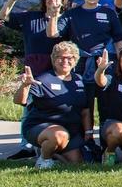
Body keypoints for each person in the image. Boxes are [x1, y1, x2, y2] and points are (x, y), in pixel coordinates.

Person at [14, 41, 92, 169]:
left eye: (69, 58)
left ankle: (50, 153)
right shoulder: (43, 79)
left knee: (76, 164)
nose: (65, 61)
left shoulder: (79, 80)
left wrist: (88, 132)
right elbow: (19, 101)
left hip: (70, 132)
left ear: (75, 60)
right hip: (40, 127)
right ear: (53, 59)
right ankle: (43, 160)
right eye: (60, 57)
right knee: (59, 134)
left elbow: (85, 110)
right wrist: (25, 85)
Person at [48, 0, 122, 77]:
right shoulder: (71, 13)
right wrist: (53, 14)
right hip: (78, 61)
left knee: (104, 86)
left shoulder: (109, 13)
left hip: (104, 60)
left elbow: (119, 43)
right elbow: (52, 34)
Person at [2, 0, 68, 79]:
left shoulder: (67, 20)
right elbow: (3, 16)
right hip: (35, 69)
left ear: (62, 1)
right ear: (44, 0)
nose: (52, 0)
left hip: (59, 68)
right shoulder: (31, 17)